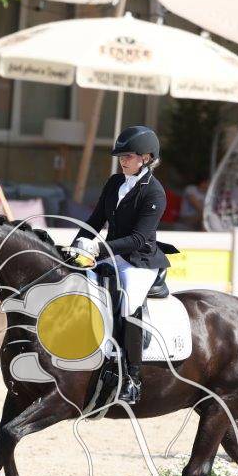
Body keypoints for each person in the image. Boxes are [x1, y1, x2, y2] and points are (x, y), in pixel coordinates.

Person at [70, 125, 170, 405]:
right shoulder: (115, 182)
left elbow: (138, 238)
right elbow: (95, 220)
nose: (122, 160)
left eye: (128, 156)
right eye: (121, 156)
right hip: (111, 255)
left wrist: (99, 248)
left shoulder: (155, 193)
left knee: (128, 301)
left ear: (146, 158)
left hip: (139, 261)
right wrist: (76, 246)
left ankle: (133, 377)